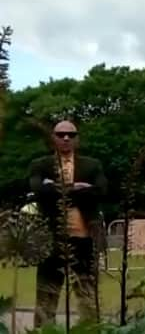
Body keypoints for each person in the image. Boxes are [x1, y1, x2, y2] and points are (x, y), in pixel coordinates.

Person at [28, 120, 107, 327]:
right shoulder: (41, 165)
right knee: (46, 296)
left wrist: (56, 187)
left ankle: (90, 330)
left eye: (70, 135)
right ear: (53, 138)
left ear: (77, 139)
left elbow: (101, 191)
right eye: (61, 134)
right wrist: (78, 188)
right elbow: (38, 190)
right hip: (52, 241)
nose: (66, 138)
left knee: (87, 296)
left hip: (84, 241)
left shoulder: (92, 165)